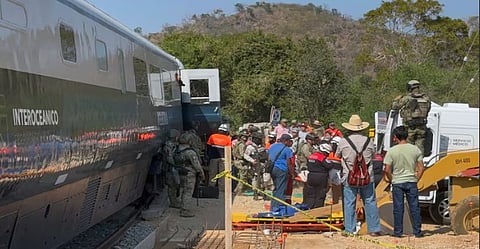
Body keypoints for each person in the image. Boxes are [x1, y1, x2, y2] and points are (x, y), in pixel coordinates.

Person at [336, 114, 382, 236]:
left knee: (349, 202)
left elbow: (338, 156)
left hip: (349, 176)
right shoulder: (369, 141)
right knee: (370, 201)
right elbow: (373, 157)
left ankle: (349, 229)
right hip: (367, 176)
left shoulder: (343, 142)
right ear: (362, 128)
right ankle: (374, 229)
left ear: (349, 128)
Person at [383, 126, 425, 238]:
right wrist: (416, 179)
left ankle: (398, 232)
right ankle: (417, 232)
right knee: (414, 207)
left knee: (398, 208)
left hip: (397, 182)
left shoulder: (392, 151)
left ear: (395, 137)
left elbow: (387, 169)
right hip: (411, 181)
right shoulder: (415, 149)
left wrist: (392, 179)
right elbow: (421, 167)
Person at [391, 80, 431, 155]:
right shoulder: (426, 98)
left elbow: (394, 107)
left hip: (409, 128)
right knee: (420, 147)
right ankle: (419, 164)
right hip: (421, 127)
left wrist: (396, 99)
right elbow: (428, 110)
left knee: (408, 148)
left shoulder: (407, 98)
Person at [175, 133, 206, 217]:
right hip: (189, 174)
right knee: (188, 192)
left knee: (182, 190)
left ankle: (181, 205)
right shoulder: (190, 152)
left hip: (180, 172)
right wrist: (201, 174)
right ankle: (184, 210)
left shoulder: (177, 150)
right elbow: (196, 165)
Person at [303, 143, 341, 209]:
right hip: (320, 177)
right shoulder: (321, 157)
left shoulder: (311, 156)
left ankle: (308, 209)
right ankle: (318, 211)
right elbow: (329, 165)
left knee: (311, 195)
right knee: (320, 194)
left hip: (311, 176)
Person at [267, 133, 294, 210]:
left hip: (272, 169)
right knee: (281, 189)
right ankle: (279, 208)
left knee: (275, 189)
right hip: (281, 170)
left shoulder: (272, 146)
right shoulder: (287, 149)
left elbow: (269, 158)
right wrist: (292, 174)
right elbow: (289, 163)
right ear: (286, 141)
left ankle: (273, 206)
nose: (290, 143)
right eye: (290, 141)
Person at [206, 124, 232, 189]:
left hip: (213, 158)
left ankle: (211, 187)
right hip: (223, 158)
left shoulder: (212, 136)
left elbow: (208, 147)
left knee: (212, 173)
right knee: (222, 174)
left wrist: (208, 156)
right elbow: (229, 149)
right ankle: (221, 188)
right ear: (226, 131)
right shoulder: (228, 139)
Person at [244, 132, 268, 200]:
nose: (260, 140)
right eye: (259, 139)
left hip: (262, 165)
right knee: (255, 179)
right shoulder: (250, 147)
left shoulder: (262, 147)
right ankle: (255, 193)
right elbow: (245, 155)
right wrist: (252, 161)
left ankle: (263, 193)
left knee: (264, 180)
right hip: (255, 166)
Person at [164, 129, 181, 208]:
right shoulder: (169, 146)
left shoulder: (172, 144)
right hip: (171, 168)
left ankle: (174, 201)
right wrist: (176, 165)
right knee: (172, 185)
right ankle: (173, 202)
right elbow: (169, 158)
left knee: (175, 184)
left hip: (173, 167)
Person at [233, 129, 250, 194]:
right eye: (244, 136)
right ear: (240, 137)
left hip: (237, 161)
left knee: (240, 177)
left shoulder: (237, 143)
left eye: (246, 137)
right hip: (241, 162)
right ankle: (239, 191)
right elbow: (243, 155)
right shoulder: (241, 145)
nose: (245, 138)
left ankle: (237, 190)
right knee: (243, 177)